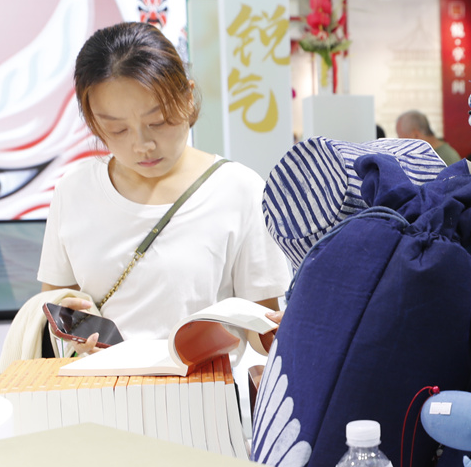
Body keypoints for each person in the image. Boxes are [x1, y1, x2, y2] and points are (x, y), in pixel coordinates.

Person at [38, 22, 291, 354]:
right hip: (103, 394)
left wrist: (291, 327)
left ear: (187, 96)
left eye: (157, 122)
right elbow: (53, 306)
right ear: (94, 122)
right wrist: (77, 329)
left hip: (203, 397)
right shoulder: (74, 191)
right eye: (117, 130)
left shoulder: (239, 189)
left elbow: (263, 335)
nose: (142, 145)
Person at [395, 109, 460, 166]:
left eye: (400, 137)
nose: (400, 143)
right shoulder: (428, 155)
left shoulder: (444, 159)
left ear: (416, 135)